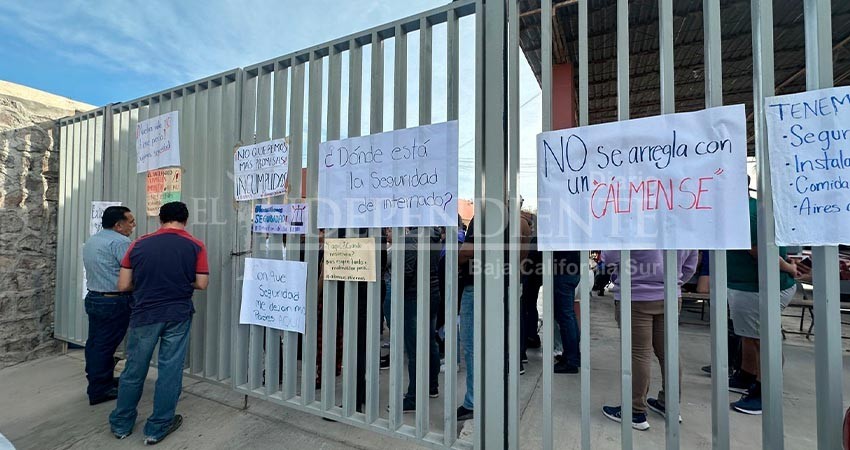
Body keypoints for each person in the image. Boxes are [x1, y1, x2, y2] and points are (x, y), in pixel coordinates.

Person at [109, 202, 209, 444]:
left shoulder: (138, 244)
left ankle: (122, 424)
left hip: (144, 315)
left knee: (134, 369)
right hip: (178, 314)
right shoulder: (196, 245)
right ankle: (157, 427)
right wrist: (180, 284)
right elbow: (202, 284)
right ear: (185, 220)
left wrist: (146, 286)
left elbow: (123, 285)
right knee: (170, 370)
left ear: (160, 219)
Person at [601, 249, 698, 430]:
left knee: (639, 353)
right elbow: (690, 265)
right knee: (669, 351)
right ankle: (671, 404)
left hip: (635, 294)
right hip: (670, 293)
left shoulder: (631, 221)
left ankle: (635, 410)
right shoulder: (683, 222)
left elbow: (610, 257)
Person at [727, 194, 800, 415]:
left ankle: (765, 391)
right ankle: (747, 374)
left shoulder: (748, 212)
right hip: (747, 284)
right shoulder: (742, 207)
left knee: (762, 340)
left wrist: (789, 268)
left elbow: (762, 251)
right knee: (749, 335)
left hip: (759, 287)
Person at [82, 206, 136, 405]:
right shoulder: (120, 242)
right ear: (118, 225)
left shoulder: (93, 240)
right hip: (114, 301)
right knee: (105, 346)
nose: (133, 225)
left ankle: (99, 381)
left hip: (95, 297)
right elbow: (131, 270)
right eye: (130, 221)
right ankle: (100, 390)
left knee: (96, 343)